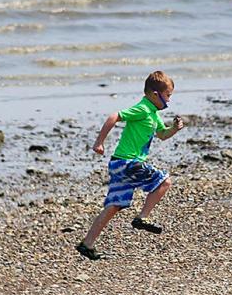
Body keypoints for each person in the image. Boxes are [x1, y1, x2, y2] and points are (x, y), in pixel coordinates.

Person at [76, 71, 185, 260]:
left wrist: (174, 129)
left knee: (114, 205)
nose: (169, 100)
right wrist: (99, 142)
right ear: (154, 94)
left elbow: (163, 135)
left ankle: (87, 244)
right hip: (128, 163)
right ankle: (142, 217)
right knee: (165, 181)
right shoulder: (143, 109)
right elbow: (114, 117)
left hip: (118, 164)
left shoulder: (153, 114)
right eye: (168, 95)